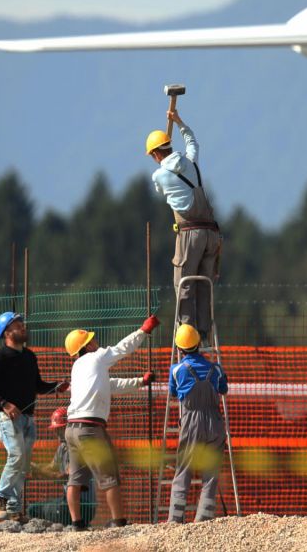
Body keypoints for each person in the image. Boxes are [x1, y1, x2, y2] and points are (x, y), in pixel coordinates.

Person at [62, 316, 160, 530]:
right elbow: (122, 348)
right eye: (91, 339)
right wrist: (143, 331)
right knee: (109, 477)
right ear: (86, 345)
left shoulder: (78, 367)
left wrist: (140, 381)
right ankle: (119, 522)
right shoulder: (96, 357)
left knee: (75, 480)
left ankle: (77, 524)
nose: (95, 341)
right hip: (90, 429)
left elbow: (111, 384)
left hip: (71, 429)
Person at [0, 311, 69, 521]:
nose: (23, 327)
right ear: (7, 332)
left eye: (22, 324)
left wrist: (56, 387)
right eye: (18, 325)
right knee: (17, 455)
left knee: (23, 463)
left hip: (28, 418)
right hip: (7, 417)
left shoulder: (29, 356)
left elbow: (37, 386)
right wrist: (4, 404)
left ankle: (14, 509)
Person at [146, 109, 221, 340]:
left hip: (190, 235)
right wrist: (178, 121)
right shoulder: (191, 160)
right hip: (212, 234)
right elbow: (192, 140)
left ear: (156, 154)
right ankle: (205, 333)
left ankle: (187, 337)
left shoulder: (158, 175)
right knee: (205, 285)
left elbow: (160, 189)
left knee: (184, 285)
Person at [167, 324, 229, 523]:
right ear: (199, 344)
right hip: (214, 422)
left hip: (191, 423)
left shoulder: (177, 370)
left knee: (184, 469)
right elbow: (223, 389)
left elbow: (173, 393)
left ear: (180, 348)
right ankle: (203, 520)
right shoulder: (216, 369)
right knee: (210, 473)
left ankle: (175, 519)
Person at [26, 407, 96, 526]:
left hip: (83, 505)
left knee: (34, 510)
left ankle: (77, 522)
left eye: (59, 429)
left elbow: (64, 476)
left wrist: (40, 472)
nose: (56, 433)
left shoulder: (75, 448)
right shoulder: (63, 447)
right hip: (69, 502)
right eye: (55, 429)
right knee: (35, 508)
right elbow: (52, 467)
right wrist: (34, 466)